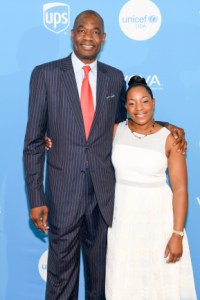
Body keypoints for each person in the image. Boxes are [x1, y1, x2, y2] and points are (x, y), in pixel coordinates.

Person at [23, 10, 186, 300]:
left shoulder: (114, 78)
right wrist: (36, 198)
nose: (89, 37)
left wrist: (164, 125)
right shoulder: (45, 74)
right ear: (72, 34)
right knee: (60, 280)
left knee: (102, 282)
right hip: (63, 194)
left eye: (95, 31)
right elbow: (34, 142)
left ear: (104, 38)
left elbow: (129, 122)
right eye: (82, 30)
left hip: (106, 199)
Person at [105, 76, 197, 299]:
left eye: (145, 101)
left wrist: (177, 234)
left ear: (154, 103)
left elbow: (181, 190)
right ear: (125, 106)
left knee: (160, 284)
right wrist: (50, 140)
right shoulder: (115, 131)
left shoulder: (170, 139)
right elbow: (81, 139)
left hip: (158, 221)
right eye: (132, 103)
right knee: (122, 283)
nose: (139, 108)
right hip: (122, 219)